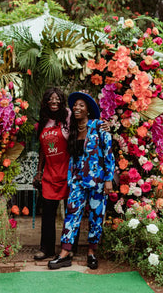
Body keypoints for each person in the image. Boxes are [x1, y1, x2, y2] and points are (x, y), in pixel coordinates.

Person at [48, 91, 115, 270]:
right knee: (72, 214)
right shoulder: (72, 130)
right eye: (75, 105)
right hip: (77, 180)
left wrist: (108, 179)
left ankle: (92, 252)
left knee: (96, 216)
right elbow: (73, 158)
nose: (76, 108)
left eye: (81, 106)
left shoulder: (99, 126)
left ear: (88, 111)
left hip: (98, 181)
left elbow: (108, 153)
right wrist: (70, 179)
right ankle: (65, 253)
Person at [32, 87, 71, 260]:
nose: (54, 102)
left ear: (62, 102)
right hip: (49, 173)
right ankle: (46, 249)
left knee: (71, 213)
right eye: (51, 99)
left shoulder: (68, 117)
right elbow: (42, 150)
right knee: (48, 213)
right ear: (46, 102)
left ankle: (68, 248)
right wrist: (39, 171)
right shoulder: (43, 121)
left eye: (57, 99)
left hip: (68, 171)